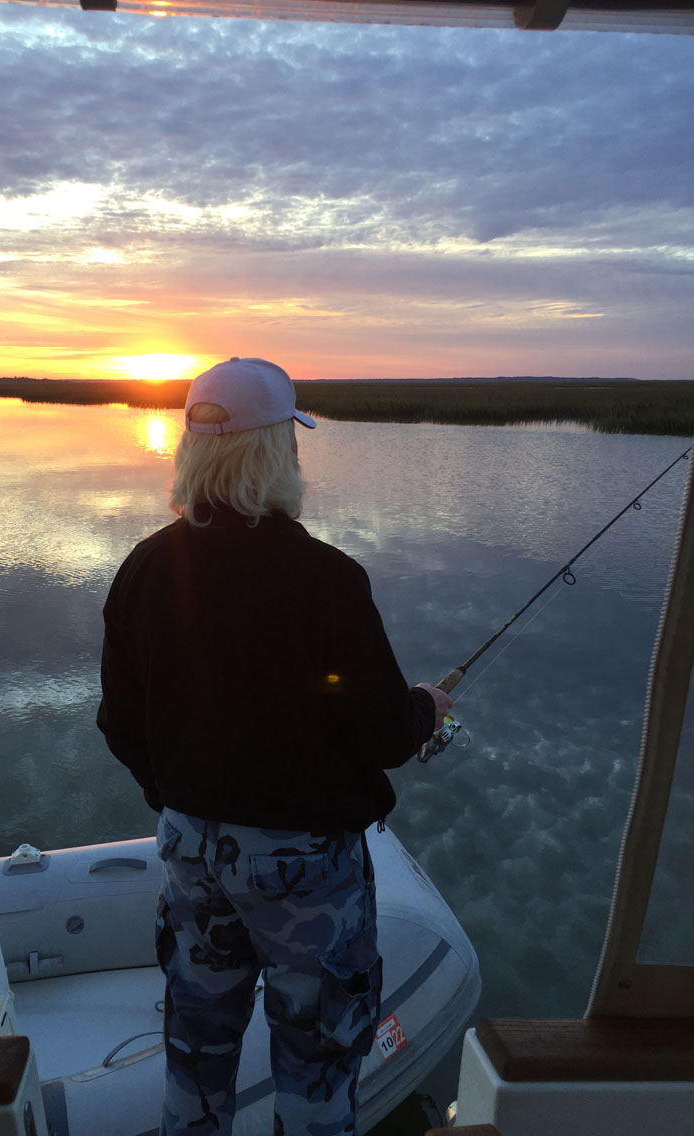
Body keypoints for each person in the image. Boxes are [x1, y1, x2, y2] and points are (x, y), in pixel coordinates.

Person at [97, 356, 452, 1136]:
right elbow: (383, 734)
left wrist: (183, 799)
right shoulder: (329, 579)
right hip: (308, 872)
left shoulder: (143, 570)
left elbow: (119, 722)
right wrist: (426, 708)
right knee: (318, 1069)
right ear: (277, 451)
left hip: (190, 849)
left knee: (195, 1058)